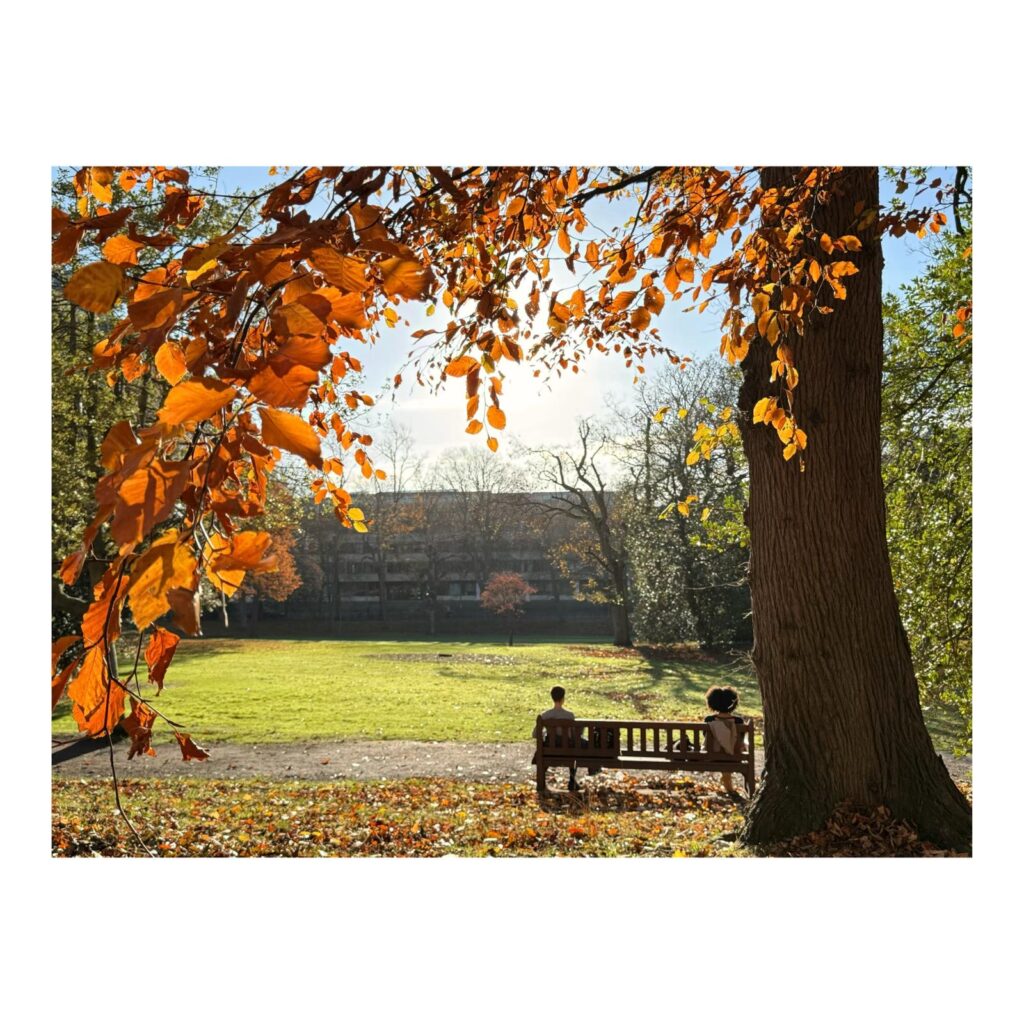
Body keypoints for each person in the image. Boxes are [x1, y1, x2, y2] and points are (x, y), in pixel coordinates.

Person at [532, 686, 598, 791]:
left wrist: (545, 732)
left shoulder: (545, 715)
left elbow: (535, 734)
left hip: (551, 749)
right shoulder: (569, 715)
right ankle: (573, 780)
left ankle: (541, 783)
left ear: (552, 698)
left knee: (573, 747)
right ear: (563, 698)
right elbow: (573, 735)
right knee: (579, 747)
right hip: (569, 748)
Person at [703, 685, 746, 798]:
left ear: (712, 703)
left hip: (712, 757)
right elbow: (740, 740)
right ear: (733, 703)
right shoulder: (739, 721)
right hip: (734, 758)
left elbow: (706, 738)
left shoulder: (709, 720)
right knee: (728, 749)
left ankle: (728, 784)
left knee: (720, 748)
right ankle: (729, 786)